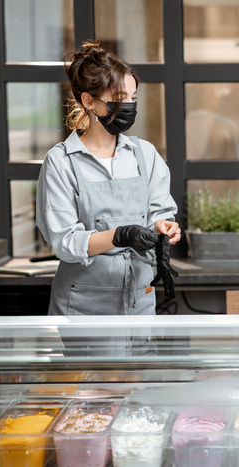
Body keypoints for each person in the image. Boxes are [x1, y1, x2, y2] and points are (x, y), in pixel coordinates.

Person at [36, 42, 181, 315]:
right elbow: (65, 242)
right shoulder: (61, 161)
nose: (128, 106)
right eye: (119, 97)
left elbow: (159, 215)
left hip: (140, 300)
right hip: (83, 306)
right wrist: (119, 236)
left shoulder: (145, 155)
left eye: (133, 98)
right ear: (88, 100)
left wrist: (165, 228)